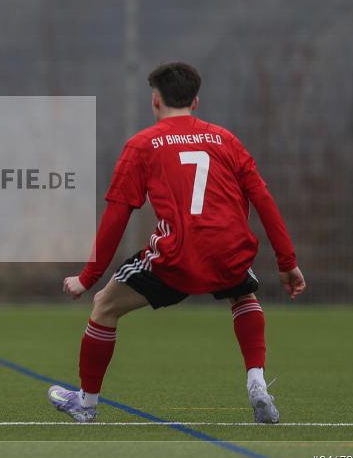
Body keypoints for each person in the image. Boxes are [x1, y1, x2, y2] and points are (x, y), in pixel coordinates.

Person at [48, 62, 306, 424]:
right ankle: (257, 382)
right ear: (195, 101)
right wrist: (287, 261)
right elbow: (263, 199)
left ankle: (86, 404)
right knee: (244, 296)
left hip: (177, 257)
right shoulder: (225, 140)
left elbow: (116, 217)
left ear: (155, 101)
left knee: (105, 305)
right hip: (227, 251)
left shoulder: (142, 145)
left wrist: (88, 277)